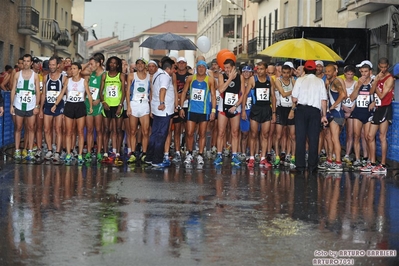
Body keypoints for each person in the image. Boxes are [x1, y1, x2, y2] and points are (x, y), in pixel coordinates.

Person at [51, 62, 93, 165]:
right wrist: (55, 104)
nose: (72, 70)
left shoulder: (84, 81)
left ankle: (79, 154)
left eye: (74, 68)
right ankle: (68, 153)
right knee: (68, 131)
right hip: (69, 105)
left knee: (80, 131)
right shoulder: (68, 81)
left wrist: (91, 106)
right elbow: (62, 93)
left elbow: (88, 94)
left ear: (79, 70)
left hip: (80, 106)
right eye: (71, 69)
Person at [291, 60, 328, 173]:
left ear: (305, 69)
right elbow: (323, 100)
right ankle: (313, 167)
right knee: (314, 139)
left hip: (301, 110)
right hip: (315, 111)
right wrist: (324, 115)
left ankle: (300, 167)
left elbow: (294, 99)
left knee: (300, 138)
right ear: (315, 69)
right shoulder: (320, 82)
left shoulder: (300, 80)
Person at [179, 60, 216, 167]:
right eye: (199, 67)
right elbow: (184, 92)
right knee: (189, 132)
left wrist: (213, 110)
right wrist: (181, 107)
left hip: (204, 111)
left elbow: (213, 96)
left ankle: (200, 154)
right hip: (192, 109)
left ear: (206, 69)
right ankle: (189, 153)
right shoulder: (190, 79)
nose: (201, 69)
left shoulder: (210, 80)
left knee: (202, 133)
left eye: (203, 67)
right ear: (196, 68)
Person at [362, 57, 394, 173]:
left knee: (381, 136)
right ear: (378, 66)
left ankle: (383, 164)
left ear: (388, 66)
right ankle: (372, 162)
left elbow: (381, 96)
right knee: (370, 136)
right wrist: (376, 81)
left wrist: (375, 82)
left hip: (385, 107)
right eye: (381, 67)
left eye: (385, 67)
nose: (383, 69)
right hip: (378, 108)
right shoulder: (379, 77)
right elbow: (371, 92)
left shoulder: (389, 79)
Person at [213, 59, 246, 166]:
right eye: (225, 67)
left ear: (233, 67)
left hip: (235, 107)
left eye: (228, 68)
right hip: (223, 107)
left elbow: (243, 94)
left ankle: (234, 155)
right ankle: (219, 155)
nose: (226, 70)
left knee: (235, 132)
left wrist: (236, 106)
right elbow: (221, 90)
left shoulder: (240, 77)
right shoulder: (222, 76)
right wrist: (230, 78)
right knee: (221, 132)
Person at [245, 61, 276, 168]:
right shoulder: (253, 79)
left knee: (265, 134)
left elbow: (273, 96)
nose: (259, 71)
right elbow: (245, 94)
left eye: (262, 69)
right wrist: (244, 111)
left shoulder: (270, 80)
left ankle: (263, 158)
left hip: (267, 109)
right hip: (256, 109)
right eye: (258, 69)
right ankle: (252, 157)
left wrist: (274, 112)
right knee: (253, 134)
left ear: (266, 70)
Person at [10, 54, 41, 161]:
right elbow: (13, 90)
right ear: (22, 62)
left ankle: (30, 150)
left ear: (31, 63)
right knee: (18, 128)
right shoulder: (17, 75)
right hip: (18, 105)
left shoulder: (35, 76)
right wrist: (11, 105)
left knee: (31, 128)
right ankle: (17, 150)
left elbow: (38, 92)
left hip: (31, 106)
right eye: (24, 61)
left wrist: (37, 106)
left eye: (28, 61)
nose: (26, 63)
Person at [146, 59, 176, 167]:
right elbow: (162, 90)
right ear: (168, 69)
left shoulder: (156, 74)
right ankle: (157, 160)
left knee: (154, 134)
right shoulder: (165, 76)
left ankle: (149, 157)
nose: (174, 71)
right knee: (161, 135)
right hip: (164, 110)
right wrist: (162, 103)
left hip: (156, 109)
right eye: (173, 68)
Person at [318, 64, 347, 171]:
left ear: (335, 71)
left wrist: (334, 106)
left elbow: (343, 94)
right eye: (326, 71)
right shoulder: (330, 83)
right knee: (328, 138)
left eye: (329, 71)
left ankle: (338, 162)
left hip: (337, 114)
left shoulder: (336, 81)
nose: (327, 73)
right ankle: (330, 160)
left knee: (335, 138)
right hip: (331, 114)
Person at [99, 56, 126, 165]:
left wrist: (120, 105)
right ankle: (105, 153)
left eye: (115, 63)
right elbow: (101, 91)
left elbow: (123, 92)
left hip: (117, 105)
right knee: (106, 129)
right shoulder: (105, 75)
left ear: (118, 65)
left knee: (118, 129)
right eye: (111, 63)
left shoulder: (121, 76)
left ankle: (118, 154)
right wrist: (103, 102)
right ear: (108, 64)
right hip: (107, 106)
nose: (112, 65)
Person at [348, 60, 374, 169]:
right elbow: (352, 98)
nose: (364, 74)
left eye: (366, 71)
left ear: (370, 72)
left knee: (368, 137)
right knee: (356, 136)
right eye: (362, 72)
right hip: (358, 112)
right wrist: (358, 86)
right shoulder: (357, 82)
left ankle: (368, 158)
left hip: (368, 113)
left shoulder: (373, 82)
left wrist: (374, 103)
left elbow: (377, 96)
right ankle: (358, 159)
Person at [40, 56, 66, 163]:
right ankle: (50, 149)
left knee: (58, 129)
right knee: (46, 129)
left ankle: (57, 152)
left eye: (53, 65)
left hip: (59, 106)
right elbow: (44, 94)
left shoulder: (63, 78)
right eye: (50, 65)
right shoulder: (46, 77)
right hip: (48, 106)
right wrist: (40, 108)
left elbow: (66, 93)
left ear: (58, 65)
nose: (51, 67)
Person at [126, 57, 151, 164]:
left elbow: (152, 92)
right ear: (136, 65)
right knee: (132, 131)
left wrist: (151, 108)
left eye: (142, 63)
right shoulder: (132, 76)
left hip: (144, 104)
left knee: (145, 131)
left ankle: (144, 153)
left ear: (145, 65)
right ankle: (132, 153)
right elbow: (127, 92)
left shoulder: (149, 77)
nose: (140, 65)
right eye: (138, 63)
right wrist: (128, 106)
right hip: (134, 104)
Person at [274, 64, 296, 168]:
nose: (286, 75)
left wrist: (292, 109)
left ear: (290, 72)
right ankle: (277, 156)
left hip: (290, 108)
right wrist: (294, 91)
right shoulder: (278, 81)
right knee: (278, 135)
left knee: (292, 135)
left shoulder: (293, 81)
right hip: (281, 109)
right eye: (284, 73)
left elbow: (296, 98)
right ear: (281, 72)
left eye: (288, 73)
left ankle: (292, 156)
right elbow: (283, 94)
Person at [85, 55, 105, 162]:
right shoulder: (90, 74)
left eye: (92, 64)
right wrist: (88, 63)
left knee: (98, 130)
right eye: (90, 64)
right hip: (89, 104)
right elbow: (80, 71)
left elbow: (105, 90)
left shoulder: (104, 75)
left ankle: (98, 153)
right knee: (89, 129)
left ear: (98, 64)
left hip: (98, 105)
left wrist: (100, 100)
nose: (90, 66)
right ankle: (88, 151)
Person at [172, 57, 192, 163]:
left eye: (183, 62)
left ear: (186, 64)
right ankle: (177, 151)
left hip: (188, 104)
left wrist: (184, 96)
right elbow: (173, 90)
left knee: (189, 131)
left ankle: (189, 151)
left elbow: (192, 91)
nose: (181, 64)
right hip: (177, 104)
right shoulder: (174, 75)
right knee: (177, 130)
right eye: (179, 63)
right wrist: (178, 98)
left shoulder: (190, 76)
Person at [341, 65, 357, 164]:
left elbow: (357, 97)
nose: (350, 76)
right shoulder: (342, 83)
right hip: (342, 109)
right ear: (345, 74)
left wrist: (351, 110)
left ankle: (347, 154)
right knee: (338, 131)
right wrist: (343, 107)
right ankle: (335, 152)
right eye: (348, 74)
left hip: (352, 109)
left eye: (351, 74)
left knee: (350, 133)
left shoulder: (356, 83)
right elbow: (339, 96)